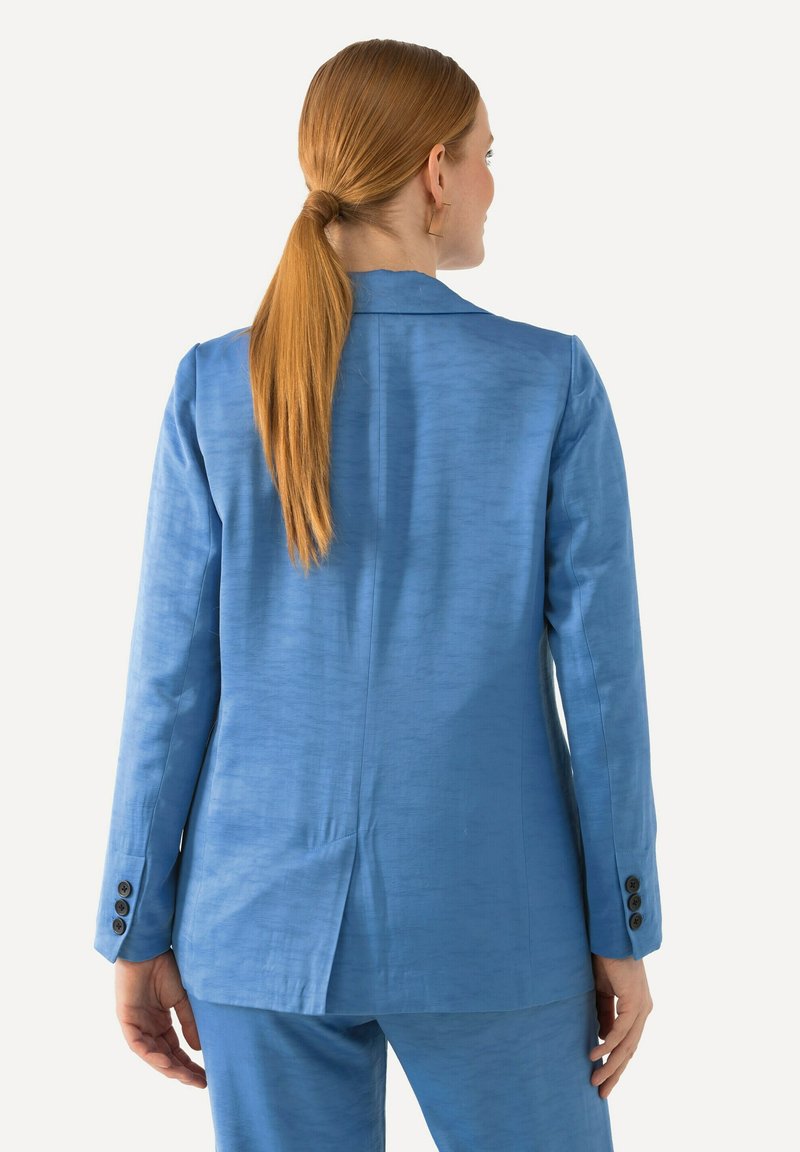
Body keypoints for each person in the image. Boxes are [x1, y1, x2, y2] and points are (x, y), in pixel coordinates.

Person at [93, 37, 662, 1152]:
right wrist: (622, 923)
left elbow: (168, 688)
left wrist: (133, 922)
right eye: (488, 154)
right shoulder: (547, 381)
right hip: (497, 922)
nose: (493, 183)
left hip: (254, 925)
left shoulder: (215, 384)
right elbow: (602, 692)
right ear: (435, 172)